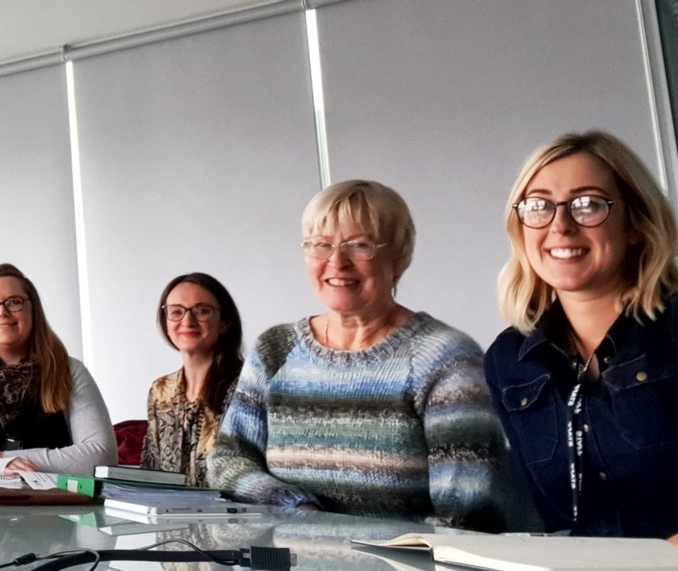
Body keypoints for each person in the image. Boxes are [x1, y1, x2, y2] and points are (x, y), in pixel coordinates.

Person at [208, 180, 508, 531]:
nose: (337, 262)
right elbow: (229, 460)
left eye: (359, 246)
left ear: (398, 256)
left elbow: (467, 515)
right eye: (320, 245)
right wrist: (291, 505)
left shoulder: (444, 359)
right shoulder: (276, 349)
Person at [486, 130, 678, 538]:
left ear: (636, 224)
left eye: (588, 204)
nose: (561, 226)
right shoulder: (509, 360)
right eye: (538, 207)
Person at [0, 263, 116, 483]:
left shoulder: (69, 372)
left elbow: (101, 456)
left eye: (14, 302)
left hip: (57, 511)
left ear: (32, 309)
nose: (2, 313)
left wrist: (3, 457)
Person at [142, 273, 244, 488]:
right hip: (171, 518)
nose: (187, 321)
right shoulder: (160, 391)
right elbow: (150, 472)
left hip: (232, 517)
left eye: (202, 311)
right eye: (176, 312)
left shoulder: (248, 387)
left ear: (224, 322)